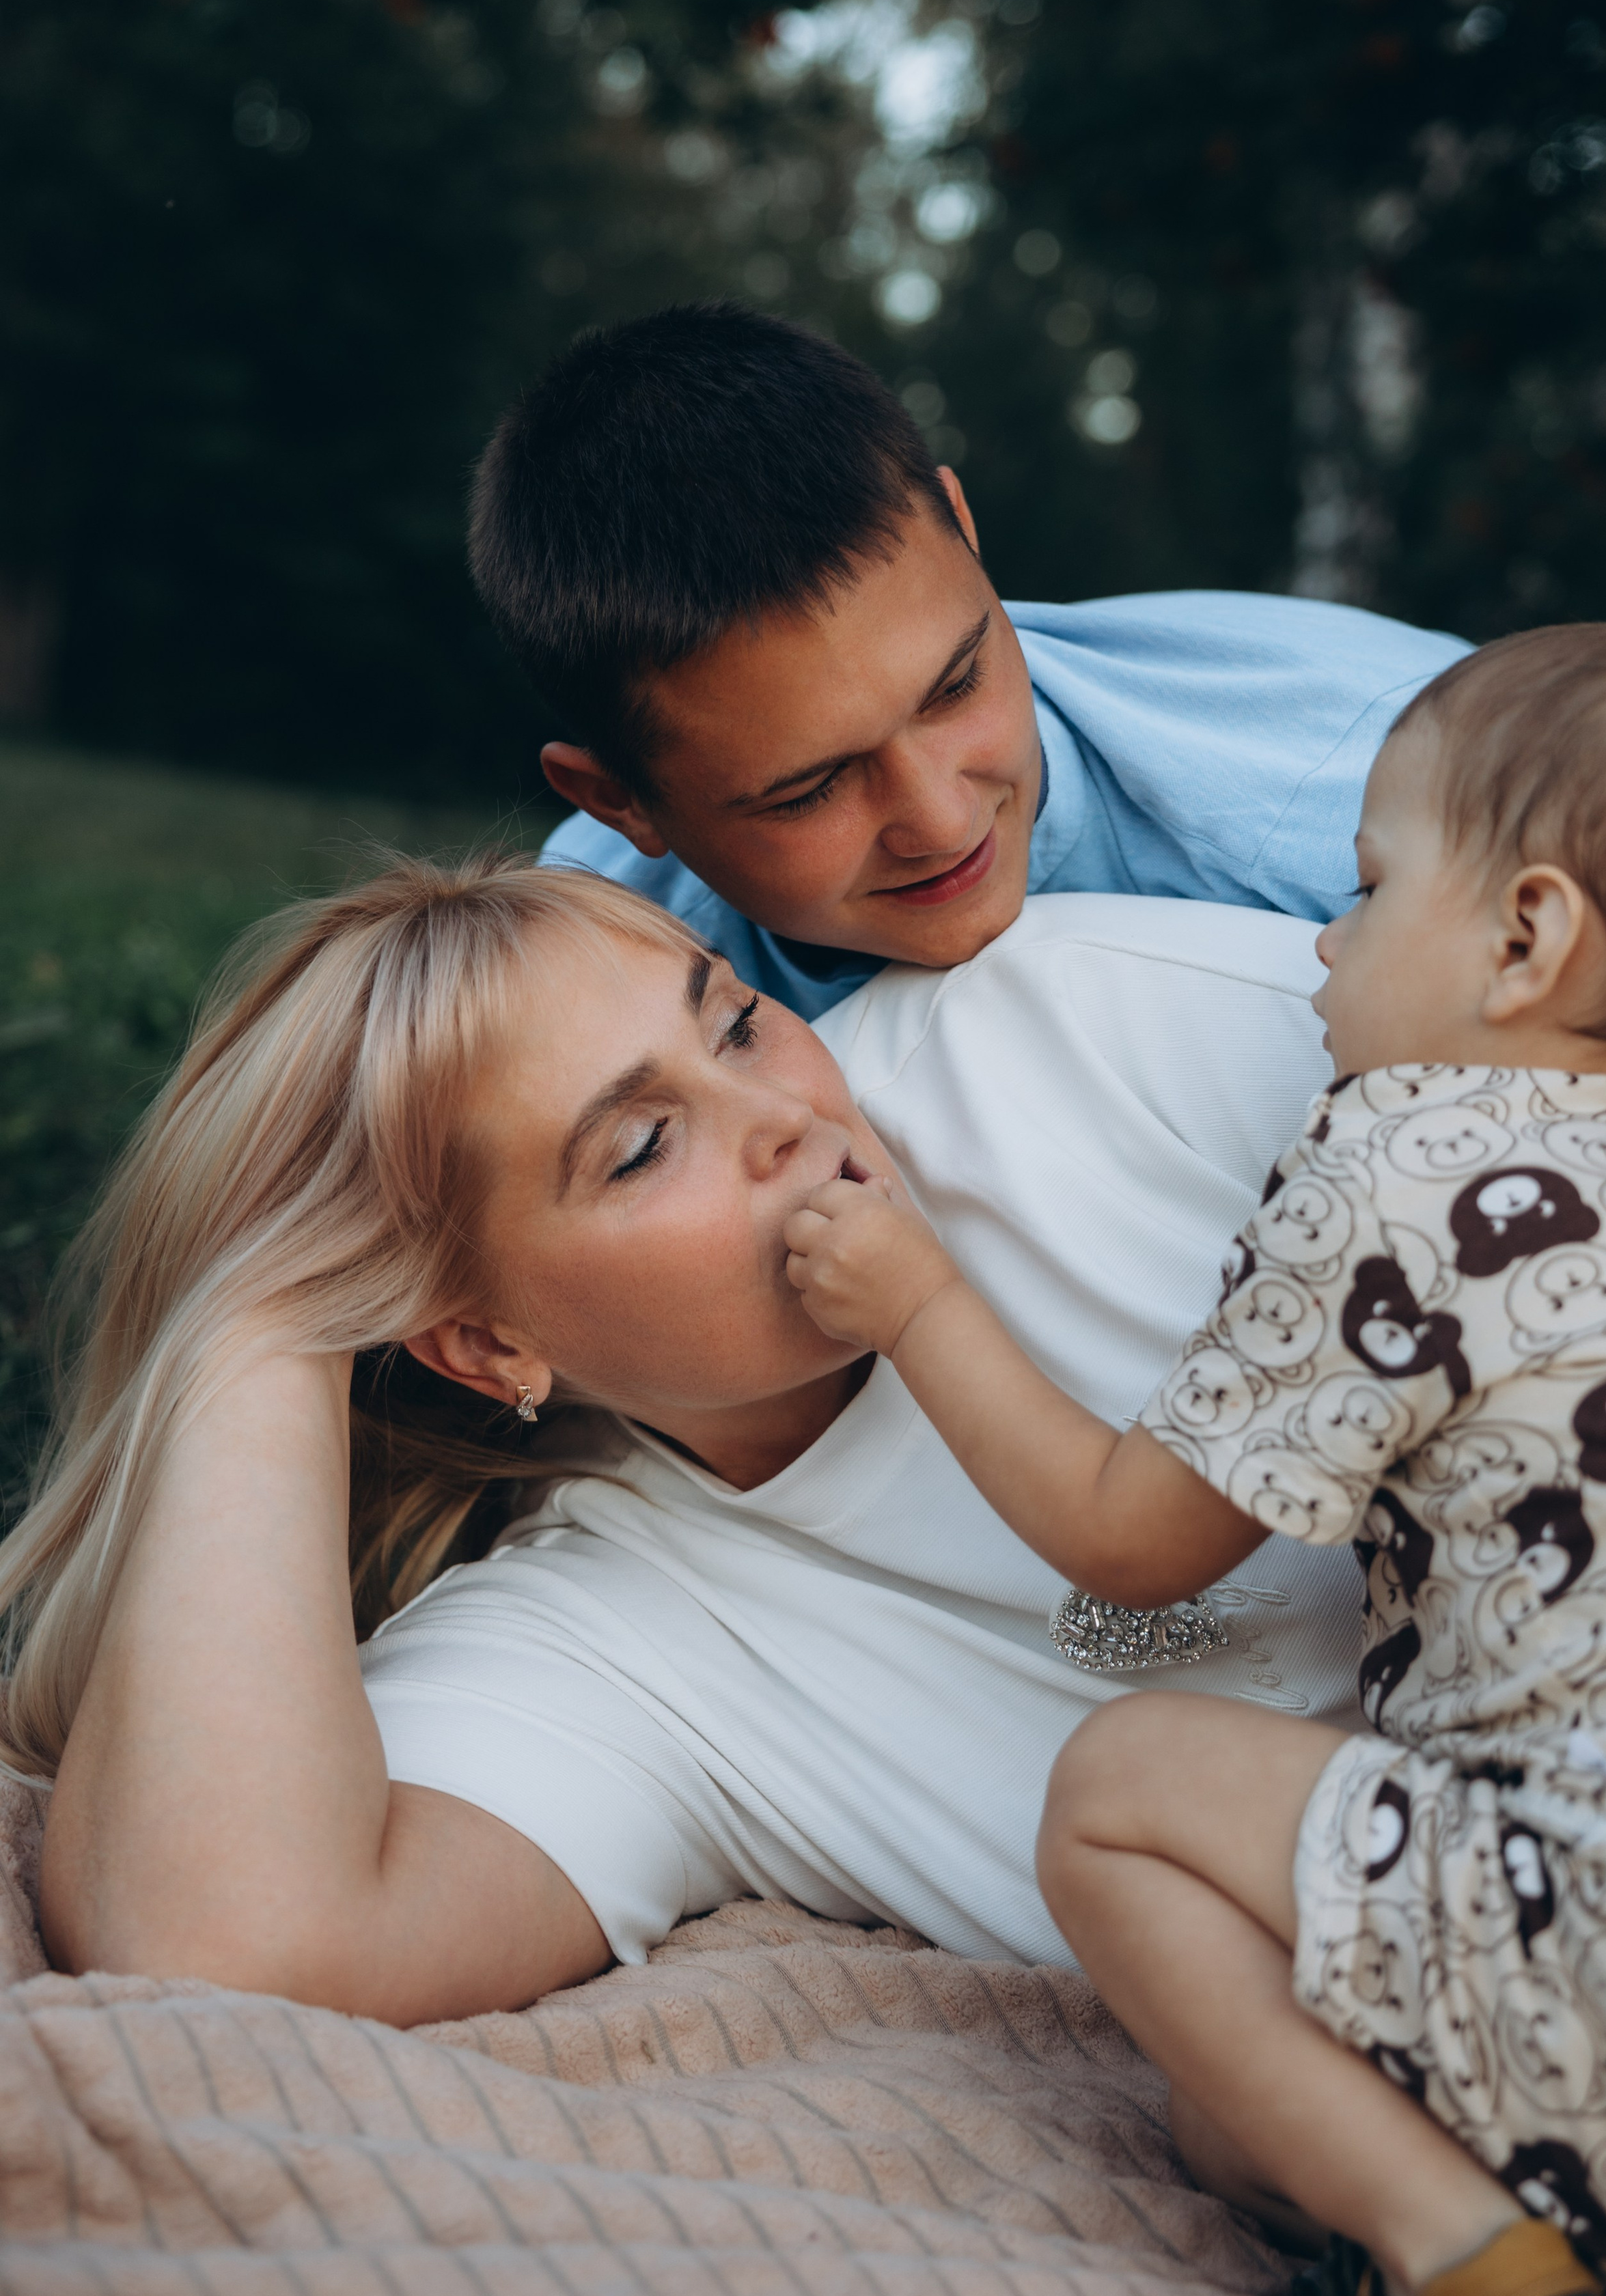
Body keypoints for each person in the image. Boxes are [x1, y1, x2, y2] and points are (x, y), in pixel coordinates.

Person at [782, 619, 1606, 2296]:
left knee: (1123, 1785)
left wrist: (915, 1294)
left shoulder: (1409, 1147)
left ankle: (1472, 2273)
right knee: (1233, 2114)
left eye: (1368, 890)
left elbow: (1132, 1544)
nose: (1318, 940)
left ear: (1525, 936)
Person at [10, 850, 1359, 2028]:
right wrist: (258, 1328)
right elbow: (229, 1946)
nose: (784, 1120)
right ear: (484, 1346)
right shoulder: (618, 1640)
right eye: (646, 1145)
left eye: (737, 1024)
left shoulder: (1086, 1037)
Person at [467, 302, 1469, 1020]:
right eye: (809, 790)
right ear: (618, 803)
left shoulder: (1406, 787)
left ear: (962, 526)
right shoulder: (593, 968)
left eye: (956, 686)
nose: (942, 821)